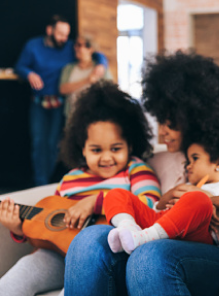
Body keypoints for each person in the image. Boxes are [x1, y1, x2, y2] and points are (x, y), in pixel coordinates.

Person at [64, 50, 219, 296]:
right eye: (160, 121)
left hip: (217, 260)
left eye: (171, 123)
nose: (162, 132)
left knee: (150, 255)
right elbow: (148, 208)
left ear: (197, 118)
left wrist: (215, 208)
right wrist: (163, 202)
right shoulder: (155, 162)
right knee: (89, 240)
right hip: (151, 249)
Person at [0, 81, 160, 296]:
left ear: (130, 145)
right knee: (14, 279)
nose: (106, 157)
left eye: (116, 148)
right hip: (57, 257)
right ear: (82, 149)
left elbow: (150, 206)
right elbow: (50, 228)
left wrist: (95, 202)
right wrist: (19, 229)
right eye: (96, 149)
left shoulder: (135, 169)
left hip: (109, 255)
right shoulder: (71, 178)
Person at [104, 140, 219, 254]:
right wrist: (169, 195)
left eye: (195, 158)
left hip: (194, 234)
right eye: (188, 161)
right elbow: (156, 209)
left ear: (218, 162)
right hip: (161, 222)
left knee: (199, 199)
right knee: (116, 194)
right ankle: (128, 230)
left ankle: (144, 238)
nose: (188, 166)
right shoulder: (185, 184)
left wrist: (211, 201)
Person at [14, 15, 107, 186]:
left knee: (53, 144)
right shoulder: (33, 46)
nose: (64, 38)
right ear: (50, 31)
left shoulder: (69, 47)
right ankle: (40, 182)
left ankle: (49, 182)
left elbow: (96, 53)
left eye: (66, 34)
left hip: (59, 104)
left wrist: (102, 64)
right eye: (60, 34)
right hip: (38, 102)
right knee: (38, 142)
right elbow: (20, 66)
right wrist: (29, 73)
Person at [59, 34, 112, 120]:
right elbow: (62, 89)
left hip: (95, 116)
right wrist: (87, 80)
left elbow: (110, 90)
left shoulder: (100, 68)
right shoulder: (68, 68)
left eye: (80, 45)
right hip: (72, 115)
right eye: (75, 45)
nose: (76, 48)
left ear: (90, 48)